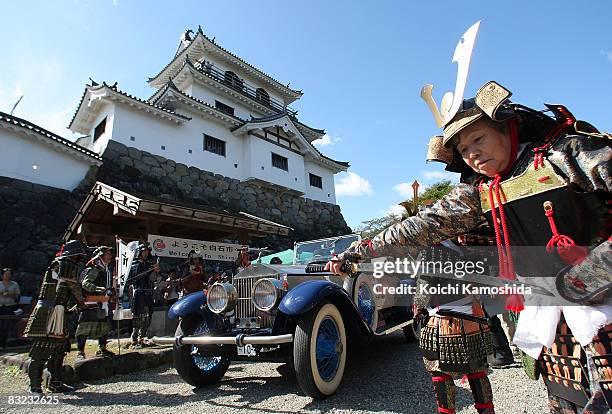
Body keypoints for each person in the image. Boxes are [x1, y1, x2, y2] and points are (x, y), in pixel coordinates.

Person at [327, 80, 611, 413]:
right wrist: (357, 251)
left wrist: (586, 276)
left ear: (507, 128)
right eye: (463, 149)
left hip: (603, 302)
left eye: (479, 138)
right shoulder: (482, 192)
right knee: (568, 400)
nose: (472, 154)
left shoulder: (567, 154)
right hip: (555, 317)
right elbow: (417, 228)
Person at [24, 240, 89, 395]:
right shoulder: (65, 264)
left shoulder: (59, 264)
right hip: (50, 310)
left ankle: (55, 383)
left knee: (59, 349)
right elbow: (73, 286)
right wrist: (81, 302)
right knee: (42, 348)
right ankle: (35, 387)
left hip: (59, 309)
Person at [75, 246, 115, 359]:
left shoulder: (107, 270)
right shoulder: (94, 269)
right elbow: (85, 284)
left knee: (103, 326)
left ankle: (102, 349)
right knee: (84, 327)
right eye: (107, 254)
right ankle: (80, 352)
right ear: (100, 256)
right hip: (90, 303)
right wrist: (101, 289)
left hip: (103, 303)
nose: (110, 256)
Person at [126, 243, 159, 349]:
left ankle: (143, 337)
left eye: (147, 251)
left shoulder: (149, 264)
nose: (146, 253)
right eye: (144, 251)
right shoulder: (135, 264)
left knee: (148, 316)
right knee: (138, 317)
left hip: (148, 292)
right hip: (139, 292)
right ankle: (134, 339)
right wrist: (149, 271)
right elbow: (134, 278)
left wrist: (155, 271)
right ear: (139, 252)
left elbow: (152, 279)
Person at [0, 268, 21, 349]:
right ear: (2, 275)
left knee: (5, 326)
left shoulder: (14, 284)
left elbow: (18, 296)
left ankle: (2, 344)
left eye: (9, 274)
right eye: (6, 274)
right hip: (0, 305)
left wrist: (10, 295)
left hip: (9, 306)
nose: (7, 276)